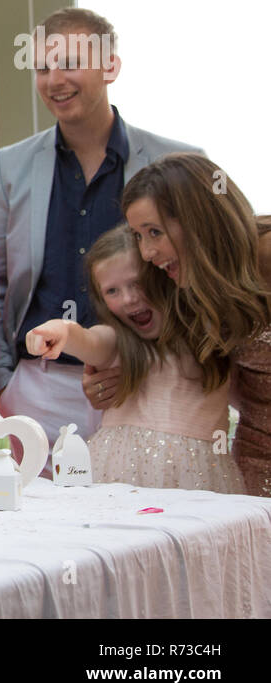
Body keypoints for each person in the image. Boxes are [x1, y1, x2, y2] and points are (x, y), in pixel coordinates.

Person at [0, 7, 201, 452]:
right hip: (35, 393)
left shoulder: (178, 164)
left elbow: (200, 285)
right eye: (42, 67)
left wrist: (147, 364)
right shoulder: (10, 165)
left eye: (70, 63)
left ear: (110, 66)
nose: (54, 80)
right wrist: (4, 383)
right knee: (36, 522)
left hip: (147, 385)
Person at [27, 225, 242, 492]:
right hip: (117, 479)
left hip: (201, 479)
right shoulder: (118, 342)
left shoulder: (210, 335)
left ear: (164, 277)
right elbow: (87, 339)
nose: (128, 299)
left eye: (136, 283)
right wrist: (59, 330)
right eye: (112, 291)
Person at [120, 154, 271, 497]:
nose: (146, 252)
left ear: (201, 220)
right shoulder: (184, 288)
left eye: (154, 232)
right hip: (255, 462)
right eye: (138, 236)